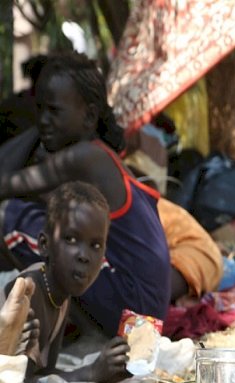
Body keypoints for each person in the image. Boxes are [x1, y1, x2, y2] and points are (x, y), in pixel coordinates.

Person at [0, 52, 171, 352]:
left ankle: (63, 336)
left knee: (6, 217)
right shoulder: (101, 159)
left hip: (132, 311)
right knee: (54, 231)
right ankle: (76, 328)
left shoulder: (87, 158)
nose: (43, 121)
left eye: (53, 111)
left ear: (90, 116)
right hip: (143, 317)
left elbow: (4, 183)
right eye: (39, 110)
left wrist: (33, 133)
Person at [6, 182, 129, 383]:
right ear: (44, 245)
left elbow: (45, 371)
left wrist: (106, 370)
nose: (84, 256)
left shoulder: (60, 294)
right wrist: (91, 373)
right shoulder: (30, 293)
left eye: (95, 245)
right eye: (71, 239)